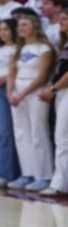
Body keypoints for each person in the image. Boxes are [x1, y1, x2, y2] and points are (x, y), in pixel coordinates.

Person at [6, 14, 54, 192]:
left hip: (35, 92)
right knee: (21, 133)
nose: (21, 28)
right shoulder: (17, 50)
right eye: (19, 26)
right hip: (17, 92)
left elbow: (42, 76)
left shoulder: (44, 48)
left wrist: (23, 93)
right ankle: (28, 172)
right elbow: (11, 73)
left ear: (34, 26)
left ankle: (44, 175)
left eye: (25, 25)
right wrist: (10, 93)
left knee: (38, 132)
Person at [37, 12, 68, 196]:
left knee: (62, 138)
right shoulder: (64, 44)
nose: (60, 22)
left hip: (64, 91)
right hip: (61, 91)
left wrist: (53, 89)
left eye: (65, 19)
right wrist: (52, 85)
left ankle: (59, 184)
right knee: (62, 137)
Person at [0, 19, 23, 186]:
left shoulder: (19, 49)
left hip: (16, 88)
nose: (3, 33)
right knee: (2, 133)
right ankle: (4, 172)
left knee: (17, 132)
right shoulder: (0, 49)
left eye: (6, 29)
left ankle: (16, 172)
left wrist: (8, 79)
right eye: (0, 29)